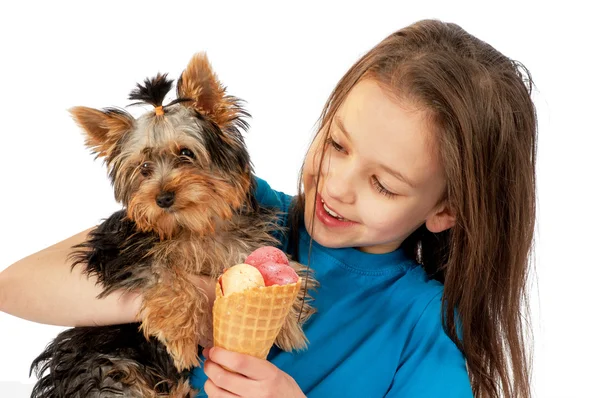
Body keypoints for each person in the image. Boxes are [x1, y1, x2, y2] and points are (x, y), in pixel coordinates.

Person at [0, 19, 537, 398]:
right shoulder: (231, 207)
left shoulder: (427, 325)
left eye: (383, 184)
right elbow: (15, 286)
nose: (337, 186)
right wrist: (176, 297)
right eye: (337, 145)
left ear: (446, 209)